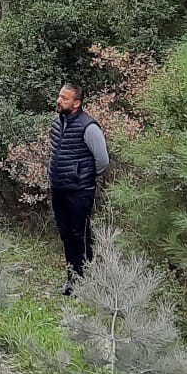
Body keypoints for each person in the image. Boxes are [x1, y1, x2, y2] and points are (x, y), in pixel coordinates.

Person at [48, 84, 109, 295]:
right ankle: (72, 278)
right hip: (59, 188)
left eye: (64, 98)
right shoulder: (57, 123)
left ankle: (86, 280)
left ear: (77, 103)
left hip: (80, 190)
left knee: (80, 234)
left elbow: (102, 160)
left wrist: (83, 177)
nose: (59, 100)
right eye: (59, 96)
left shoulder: (89, 126)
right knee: (66, 235)